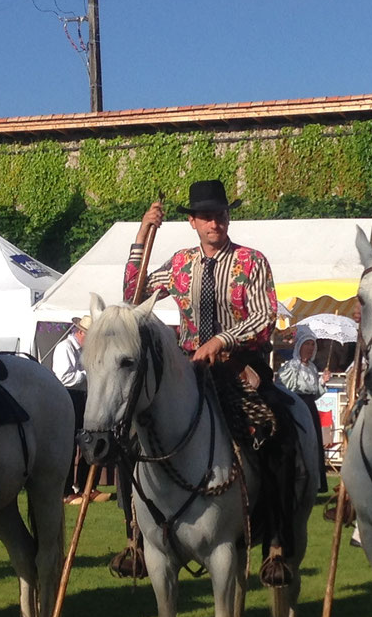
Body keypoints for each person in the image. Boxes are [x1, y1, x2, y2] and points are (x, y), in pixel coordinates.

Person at [128, 179, 308, 574]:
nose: (216, 223)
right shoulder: (179, 263)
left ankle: (276, 541)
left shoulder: (251, 261)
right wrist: (143, 233)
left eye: (221, 214)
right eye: (207, 216)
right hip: (188, 369)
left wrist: (222, 339)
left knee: (276, 426)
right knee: (132, 431)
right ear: (192, 221)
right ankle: (136, 538)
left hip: (241, 366)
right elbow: (133, 296)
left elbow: (264, 317)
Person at [49, 318, 89, 499]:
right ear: (80, 333)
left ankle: (85, 486)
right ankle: (65, 491)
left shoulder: (84, 350)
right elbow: (64, 377)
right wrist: (89, 374)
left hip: (82, 397)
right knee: (69, 444)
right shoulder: (65, 348)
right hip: (68, 397)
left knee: (87, 442)